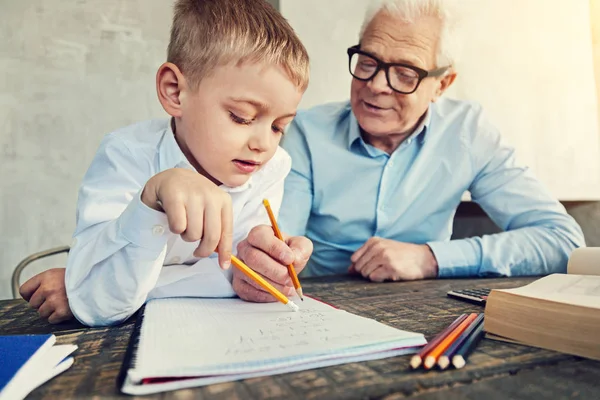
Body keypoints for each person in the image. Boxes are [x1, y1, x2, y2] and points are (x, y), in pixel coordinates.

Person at [21, 0, 586, 323]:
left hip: (425, 313)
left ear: (443, 85)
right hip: (305, 307)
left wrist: (432, 258)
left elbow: (561, 238)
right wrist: (100, 277)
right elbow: (251, 260)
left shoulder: (472, 135)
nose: (376, 87)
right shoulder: (304, 134)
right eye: (366, 61)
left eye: (406, 73)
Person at [20, 0, 312, 327]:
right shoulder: (125, 155)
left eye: (278, 127)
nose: (264, 144)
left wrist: (259, 270)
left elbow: (234, 275)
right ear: (175, 92)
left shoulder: (271, 167)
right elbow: (103, 307)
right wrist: (152, 201)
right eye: (241, 117)